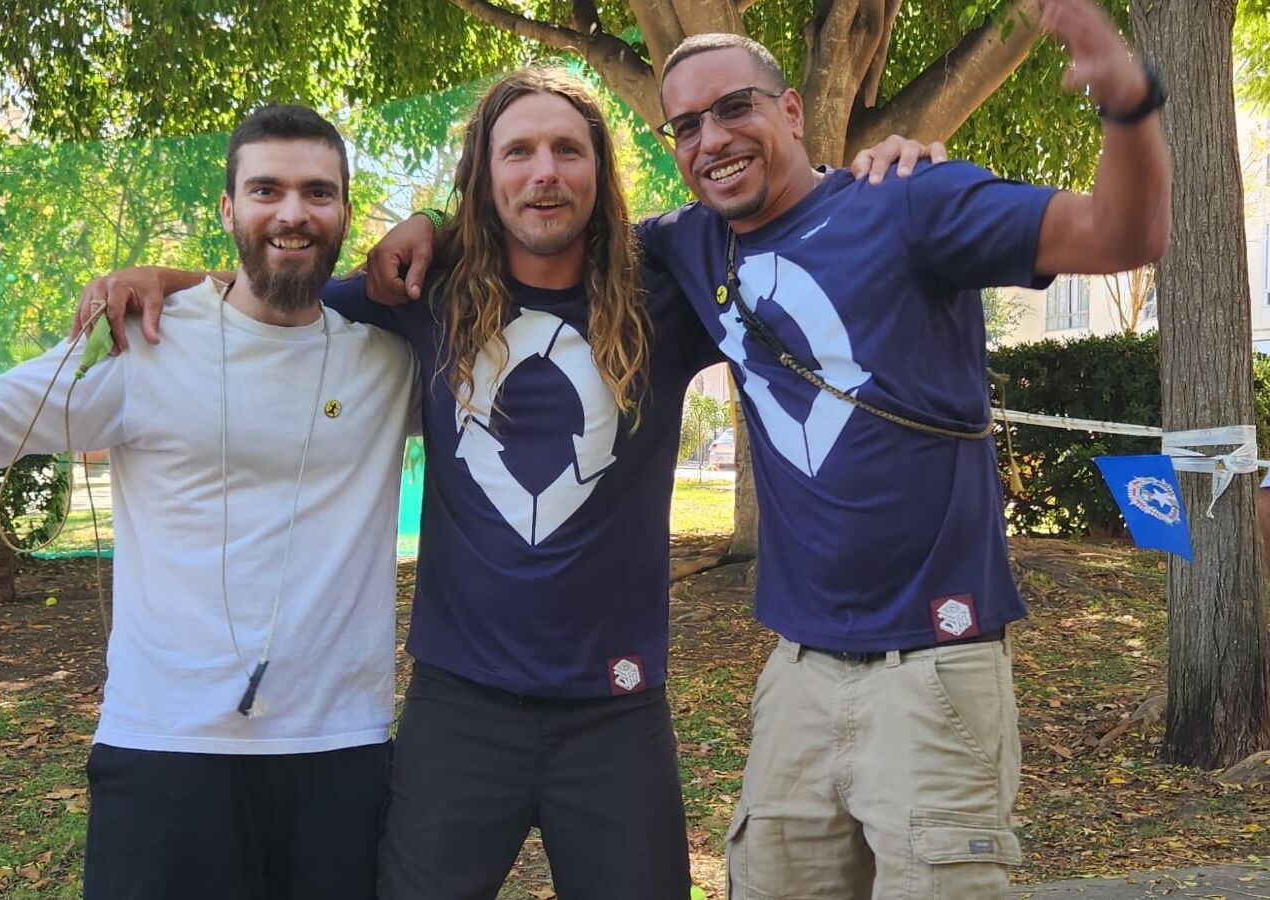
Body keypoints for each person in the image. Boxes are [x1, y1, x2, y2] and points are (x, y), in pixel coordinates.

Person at [74, 69, 937, 899]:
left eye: (568, 149)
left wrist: (875, 185)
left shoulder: (666, 290)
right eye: (517, 152)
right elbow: (281, 293)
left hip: (617, 709)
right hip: (459, 709)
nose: (544, 172)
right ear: (483, 180)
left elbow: (796, 245)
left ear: (600, 170)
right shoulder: (423, 292)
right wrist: (174, 282)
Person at [0, 104, 418, 900]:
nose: (292, 213)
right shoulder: (144, 343)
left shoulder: (390, 362)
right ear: (229, 211)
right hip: (166, 752)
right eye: (266, 190)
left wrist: (430, 219)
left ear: (345, 213)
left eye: (317, 192)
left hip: (342, 754)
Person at [626, 0, 1165, 895]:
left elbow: (1125, 235)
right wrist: (421, 231)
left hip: (935, 670)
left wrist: (1128, 101)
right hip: (795, 674)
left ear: (791, 111)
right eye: (685, 125)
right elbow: (540, 229)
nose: (711, 139)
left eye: (734, 108)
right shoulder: (688, 244)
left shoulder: (910, 198)